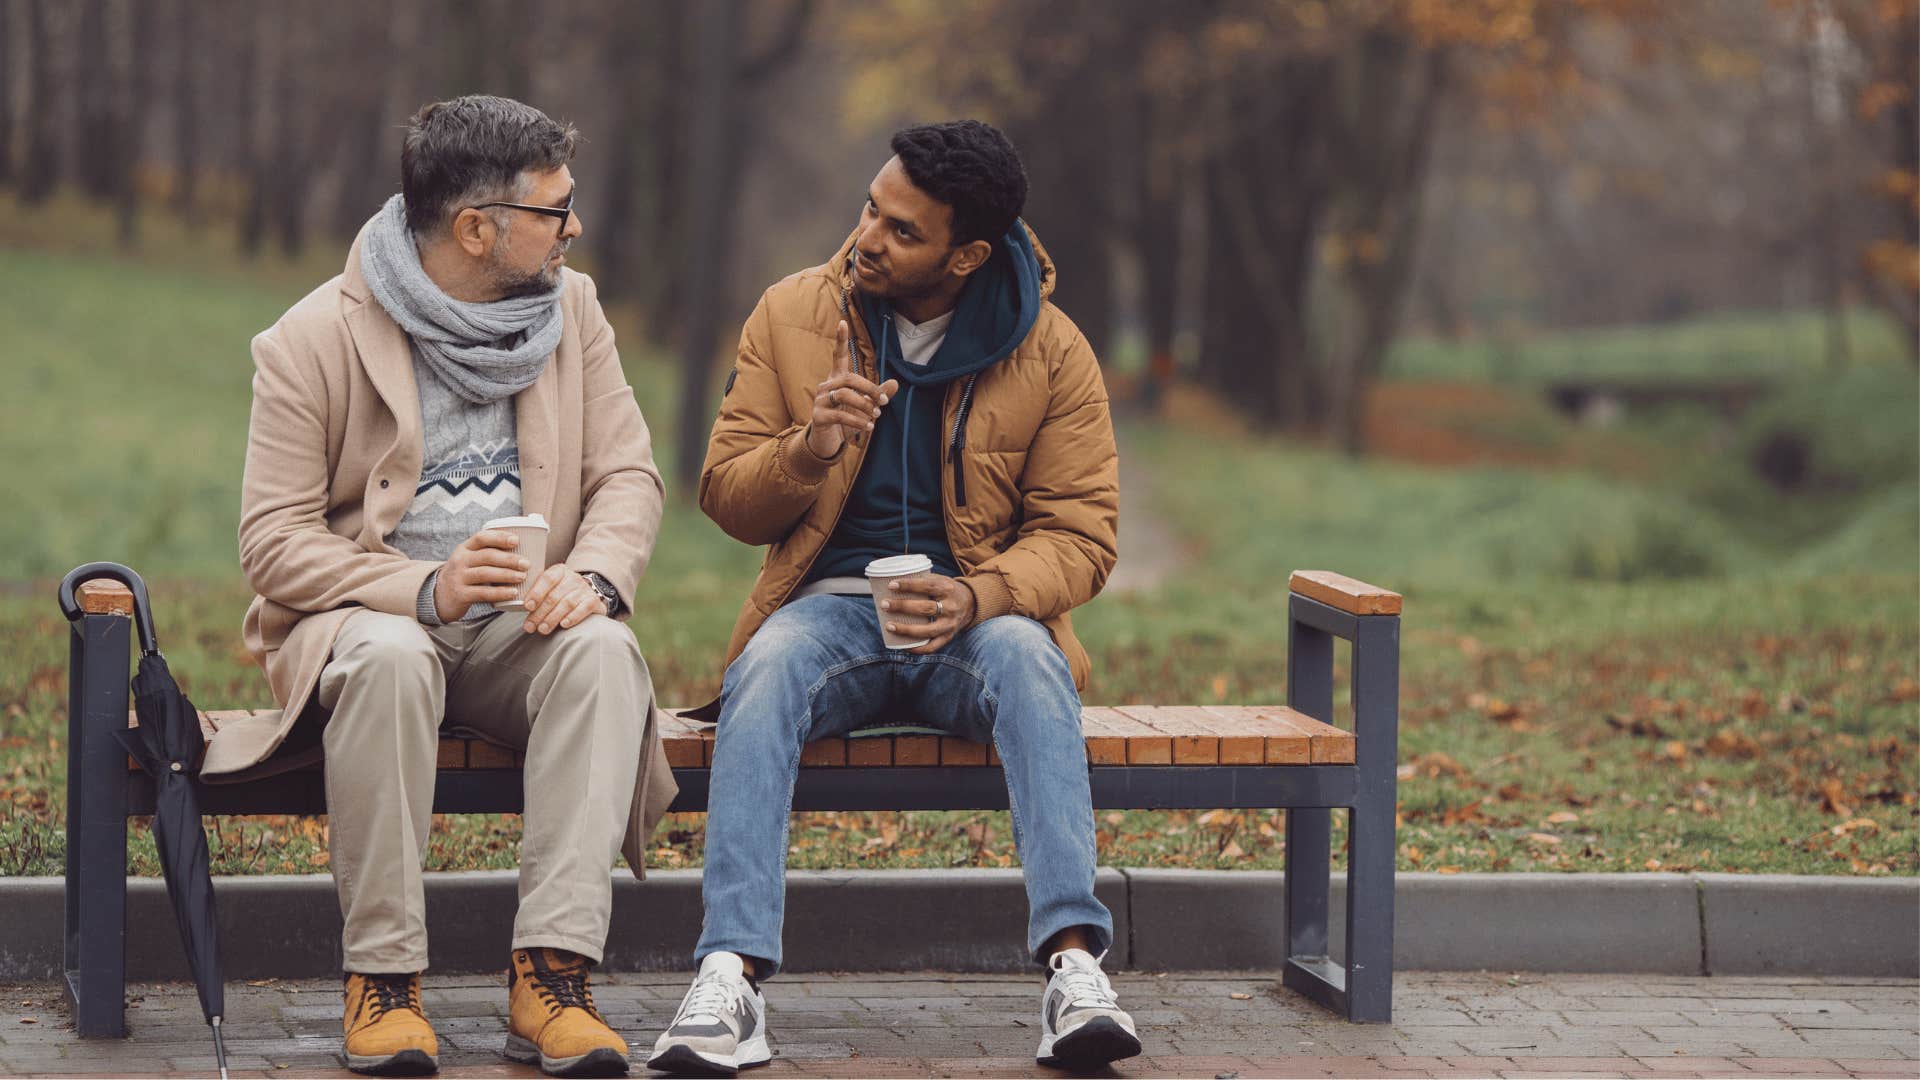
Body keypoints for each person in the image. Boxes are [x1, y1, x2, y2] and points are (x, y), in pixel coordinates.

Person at [648, 119, 1137, 1077]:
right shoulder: (794, 314)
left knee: (1035, 661)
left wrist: (980, 594)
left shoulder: (1052, 350)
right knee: (766, 667)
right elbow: (724, 496)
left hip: (977, 622)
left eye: (902, 231)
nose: (869, 237)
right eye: (871, 209)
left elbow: (1083, 534)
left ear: (968, 255)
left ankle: (1075, 975)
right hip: (828, 613)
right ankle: (728, 979)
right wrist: (809, 449)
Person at [222, 94, 676, 1078]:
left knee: (602, 650)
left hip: (522, 632)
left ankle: (552, 976)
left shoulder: (576, 312)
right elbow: (273, 542)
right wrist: (428, 586)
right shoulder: (311, 340)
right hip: (374, 625)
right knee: (389, 661)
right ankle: (382, 982)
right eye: (556, 211)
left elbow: (627, 478)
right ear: (481, 228)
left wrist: (591, 576)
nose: (575, 228)